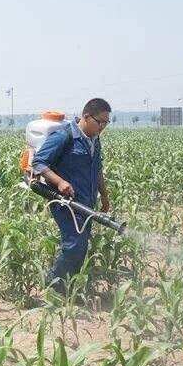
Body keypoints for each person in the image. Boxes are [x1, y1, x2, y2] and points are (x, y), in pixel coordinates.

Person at [31, 98, 111, 294]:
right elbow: (39, 163)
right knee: (73, 244)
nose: (102, 127)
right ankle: (52, 287)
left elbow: (97, 168)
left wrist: (104, 195)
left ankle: (69, 288)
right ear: (86, 116)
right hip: (64, 202)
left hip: (86, 202)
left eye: (106, 123)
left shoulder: (94, 139)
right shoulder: (63, 136)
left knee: (81, 247)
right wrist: (59, 182)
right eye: (99, 122)